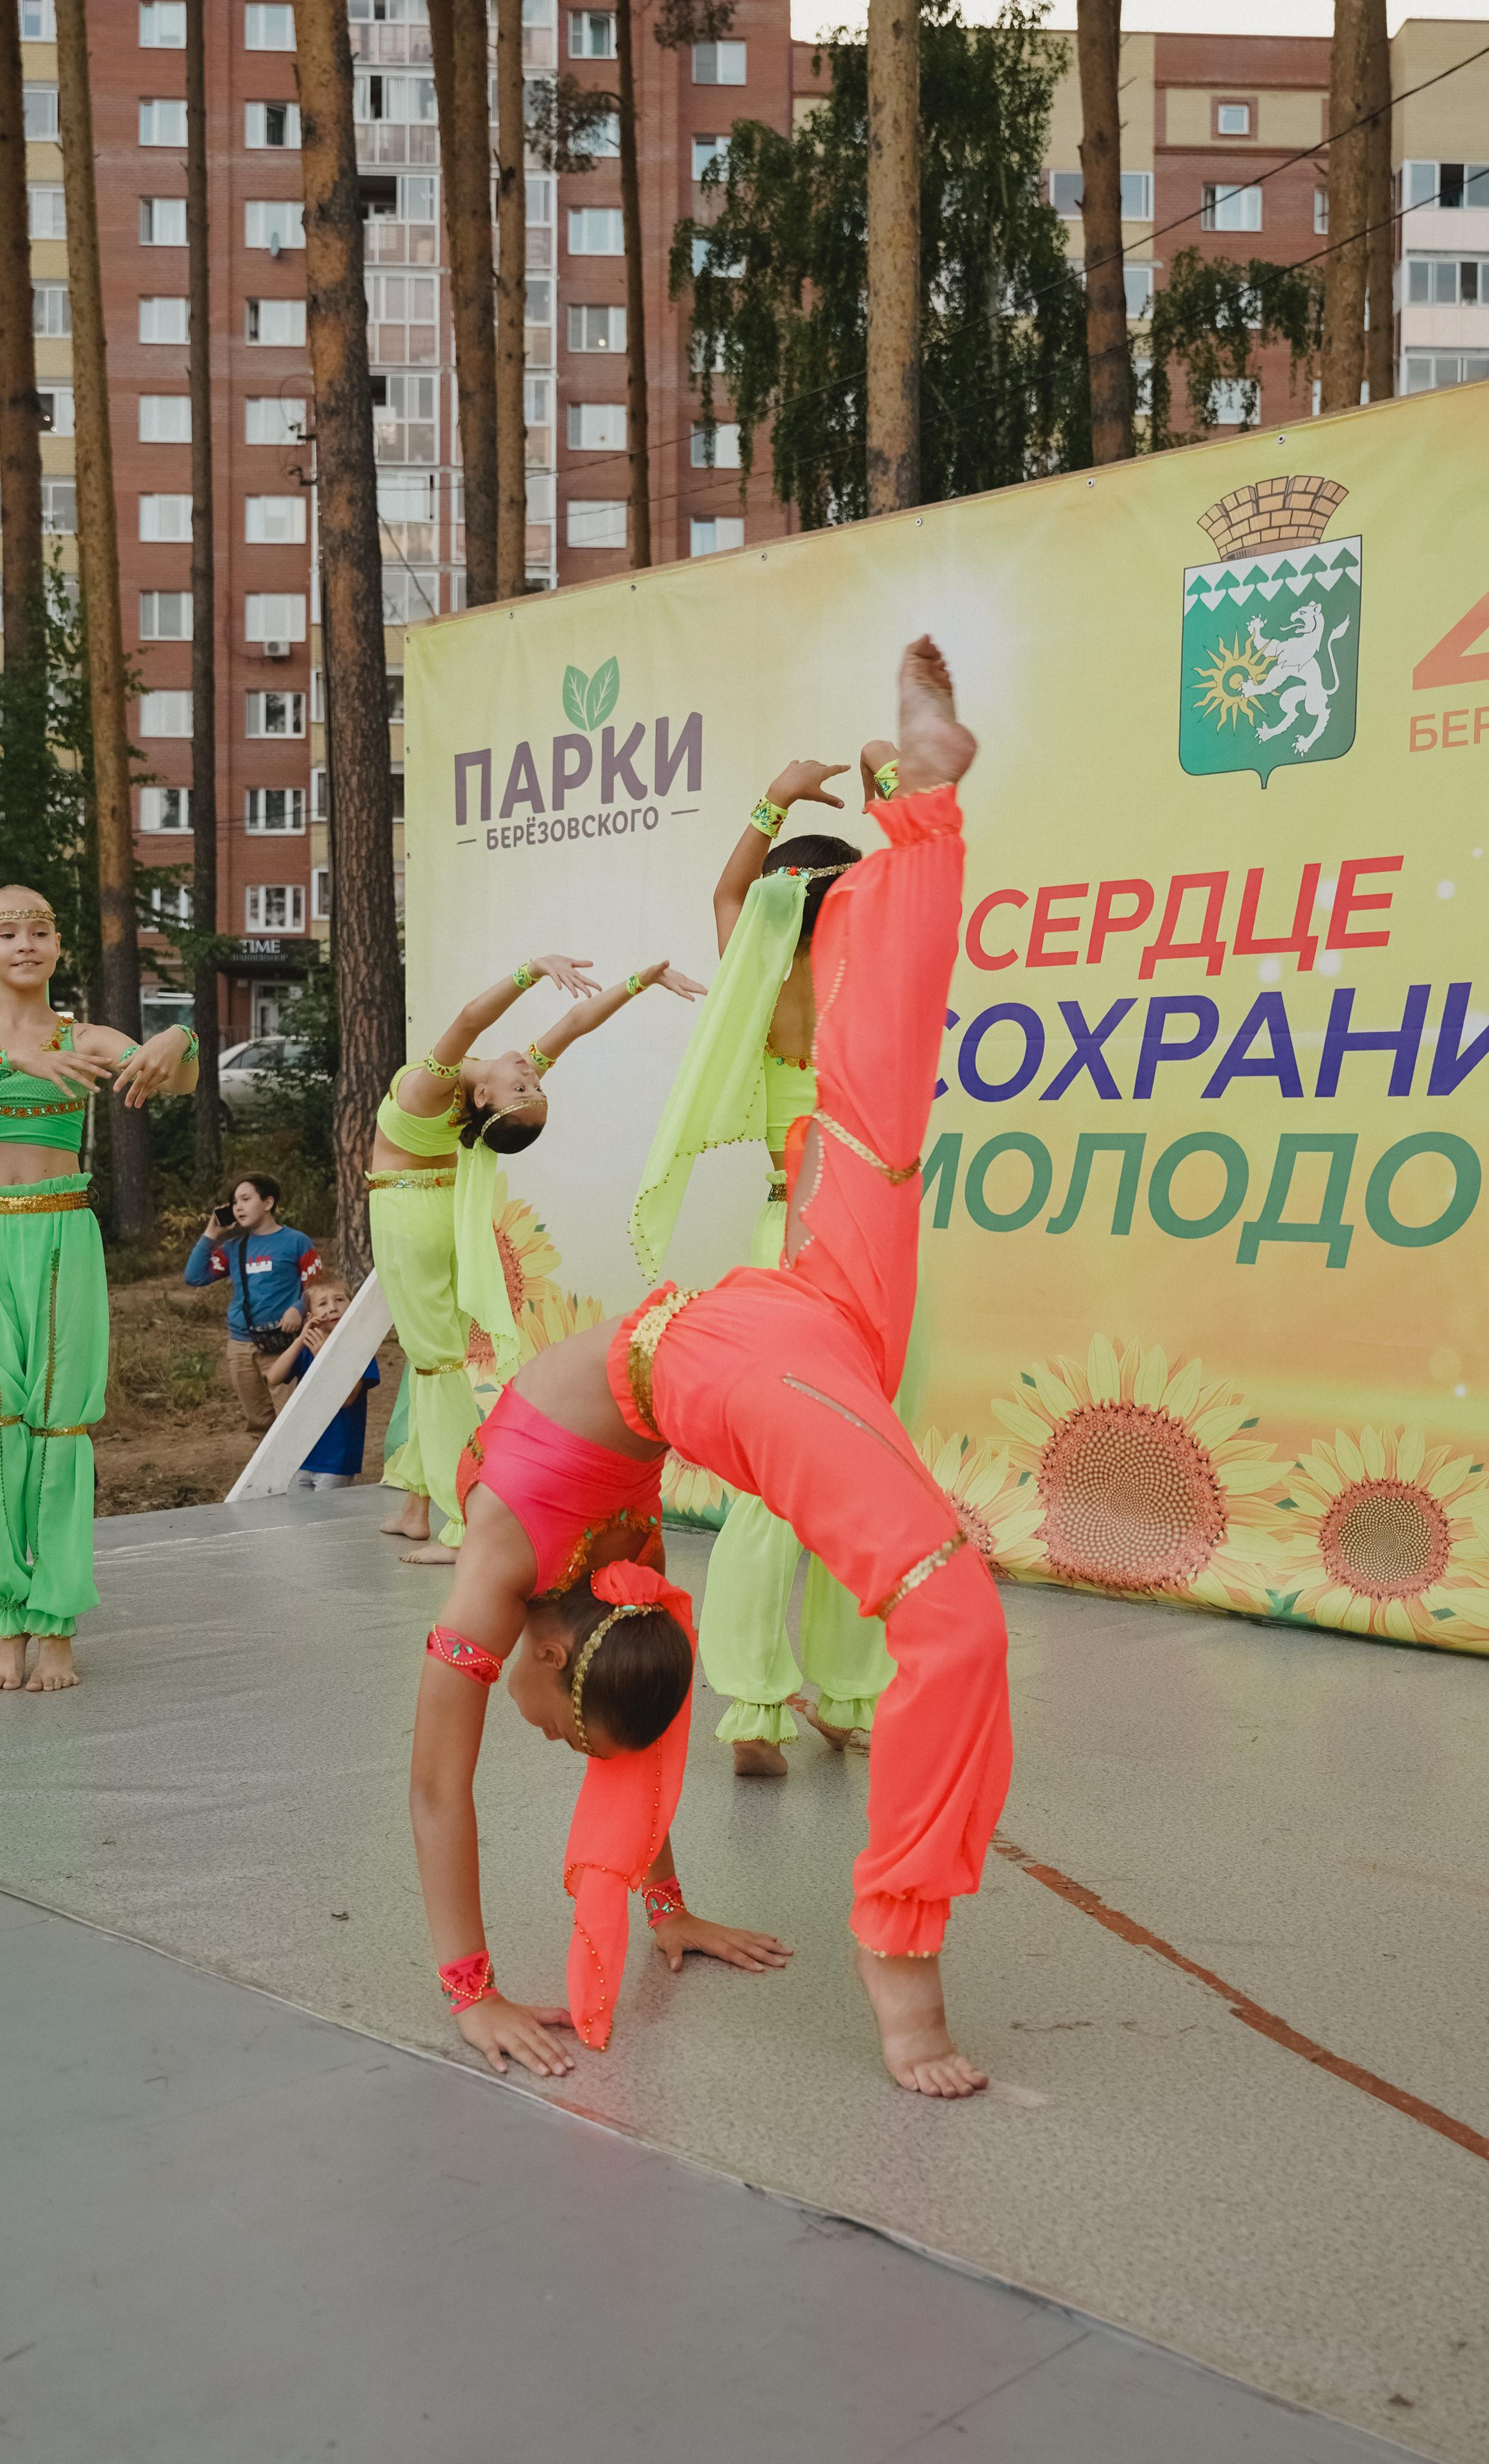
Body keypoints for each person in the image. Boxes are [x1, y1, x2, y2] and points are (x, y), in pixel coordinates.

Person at [409, 638, 1010, 2100]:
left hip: (720, 1350)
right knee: (872, 1111)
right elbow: (627, 1716)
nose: (543, 1743)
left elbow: (437, 1785)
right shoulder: (599, 1601)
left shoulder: (493, 1572)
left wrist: (471, 1992)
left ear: (538, 1653)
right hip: (795, 1318)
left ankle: (901, 1964)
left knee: (948, 1606)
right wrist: (665, 1910)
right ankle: (922, 818)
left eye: (543, 1722)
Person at [632, 740, 926, 1778]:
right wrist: (887, 781)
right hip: (866, 1248)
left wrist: (775, 796)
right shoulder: (871, 980)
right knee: (872, 1474)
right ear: (848, 900)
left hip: (781, 1234)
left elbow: (729, 891)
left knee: (772, 1482)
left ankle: (757, 1710)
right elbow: (918, 881)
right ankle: (848, 1693)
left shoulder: (753, 992)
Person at [0, 886, 198, 1691]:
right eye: (7, 932)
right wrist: (6, 1060)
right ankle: (7, 1622)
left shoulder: (89, 1035)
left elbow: (172, 1076)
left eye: (39, 930)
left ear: (59, 945)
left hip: (62, 1235)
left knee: (58, 1423)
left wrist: (181, 1034)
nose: (24, 942)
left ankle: (56, 1625)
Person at [372, 951, 704, 1568]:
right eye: (534, 1086)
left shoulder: (433, 1087)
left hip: (409, 1224)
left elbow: (471, 1016)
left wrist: (531, 971)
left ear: (484, 1097)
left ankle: (464, 1525)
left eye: (526, 1086)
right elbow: (576, 1024)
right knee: (432, 1364)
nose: (531, 1074)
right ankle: (418, 1509)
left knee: (435, 1366)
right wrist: (642, 982)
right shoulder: (490, 1082)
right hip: (442, 1215)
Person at [183, 1175, 321, 1435]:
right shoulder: (234, 1248)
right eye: (235, 1202)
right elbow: (195, 1276)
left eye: (246, 1199)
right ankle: (269, 1476)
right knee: (259, 1422)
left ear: (268, 1202)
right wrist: (212, 1233)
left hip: (284, 1344)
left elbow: (317, 1285)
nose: (238, 1207)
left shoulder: (296, 1242)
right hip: (241, 1346)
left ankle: (301, 1474)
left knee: (293, 1418)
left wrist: (298, 1308)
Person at [265, 1278, 381, 1489]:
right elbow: (273, 1377)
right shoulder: (306, 1347)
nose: (333, 1308)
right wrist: (301, 1339)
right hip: (300, 1454)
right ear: (310, 1317)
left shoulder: (360, 1348)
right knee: (297, 1516)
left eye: (339, 1300)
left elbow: (347, 1399)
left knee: (327, 1518)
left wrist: (323, 1357)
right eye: (323, 1304)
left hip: (336, 1458)